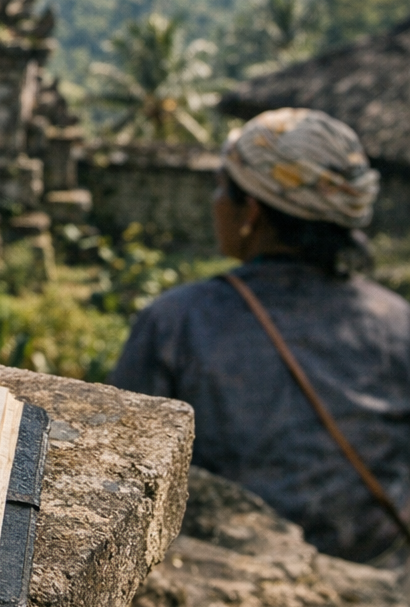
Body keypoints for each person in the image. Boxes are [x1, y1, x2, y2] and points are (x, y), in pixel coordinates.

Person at [111, 108, 410, 563]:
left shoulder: (175, 324)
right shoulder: (398, 324)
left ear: (250, 211)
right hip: (377, 577)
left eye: (221, 187)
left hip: (223, 575)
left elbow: (122, 476)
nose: (215, 201)